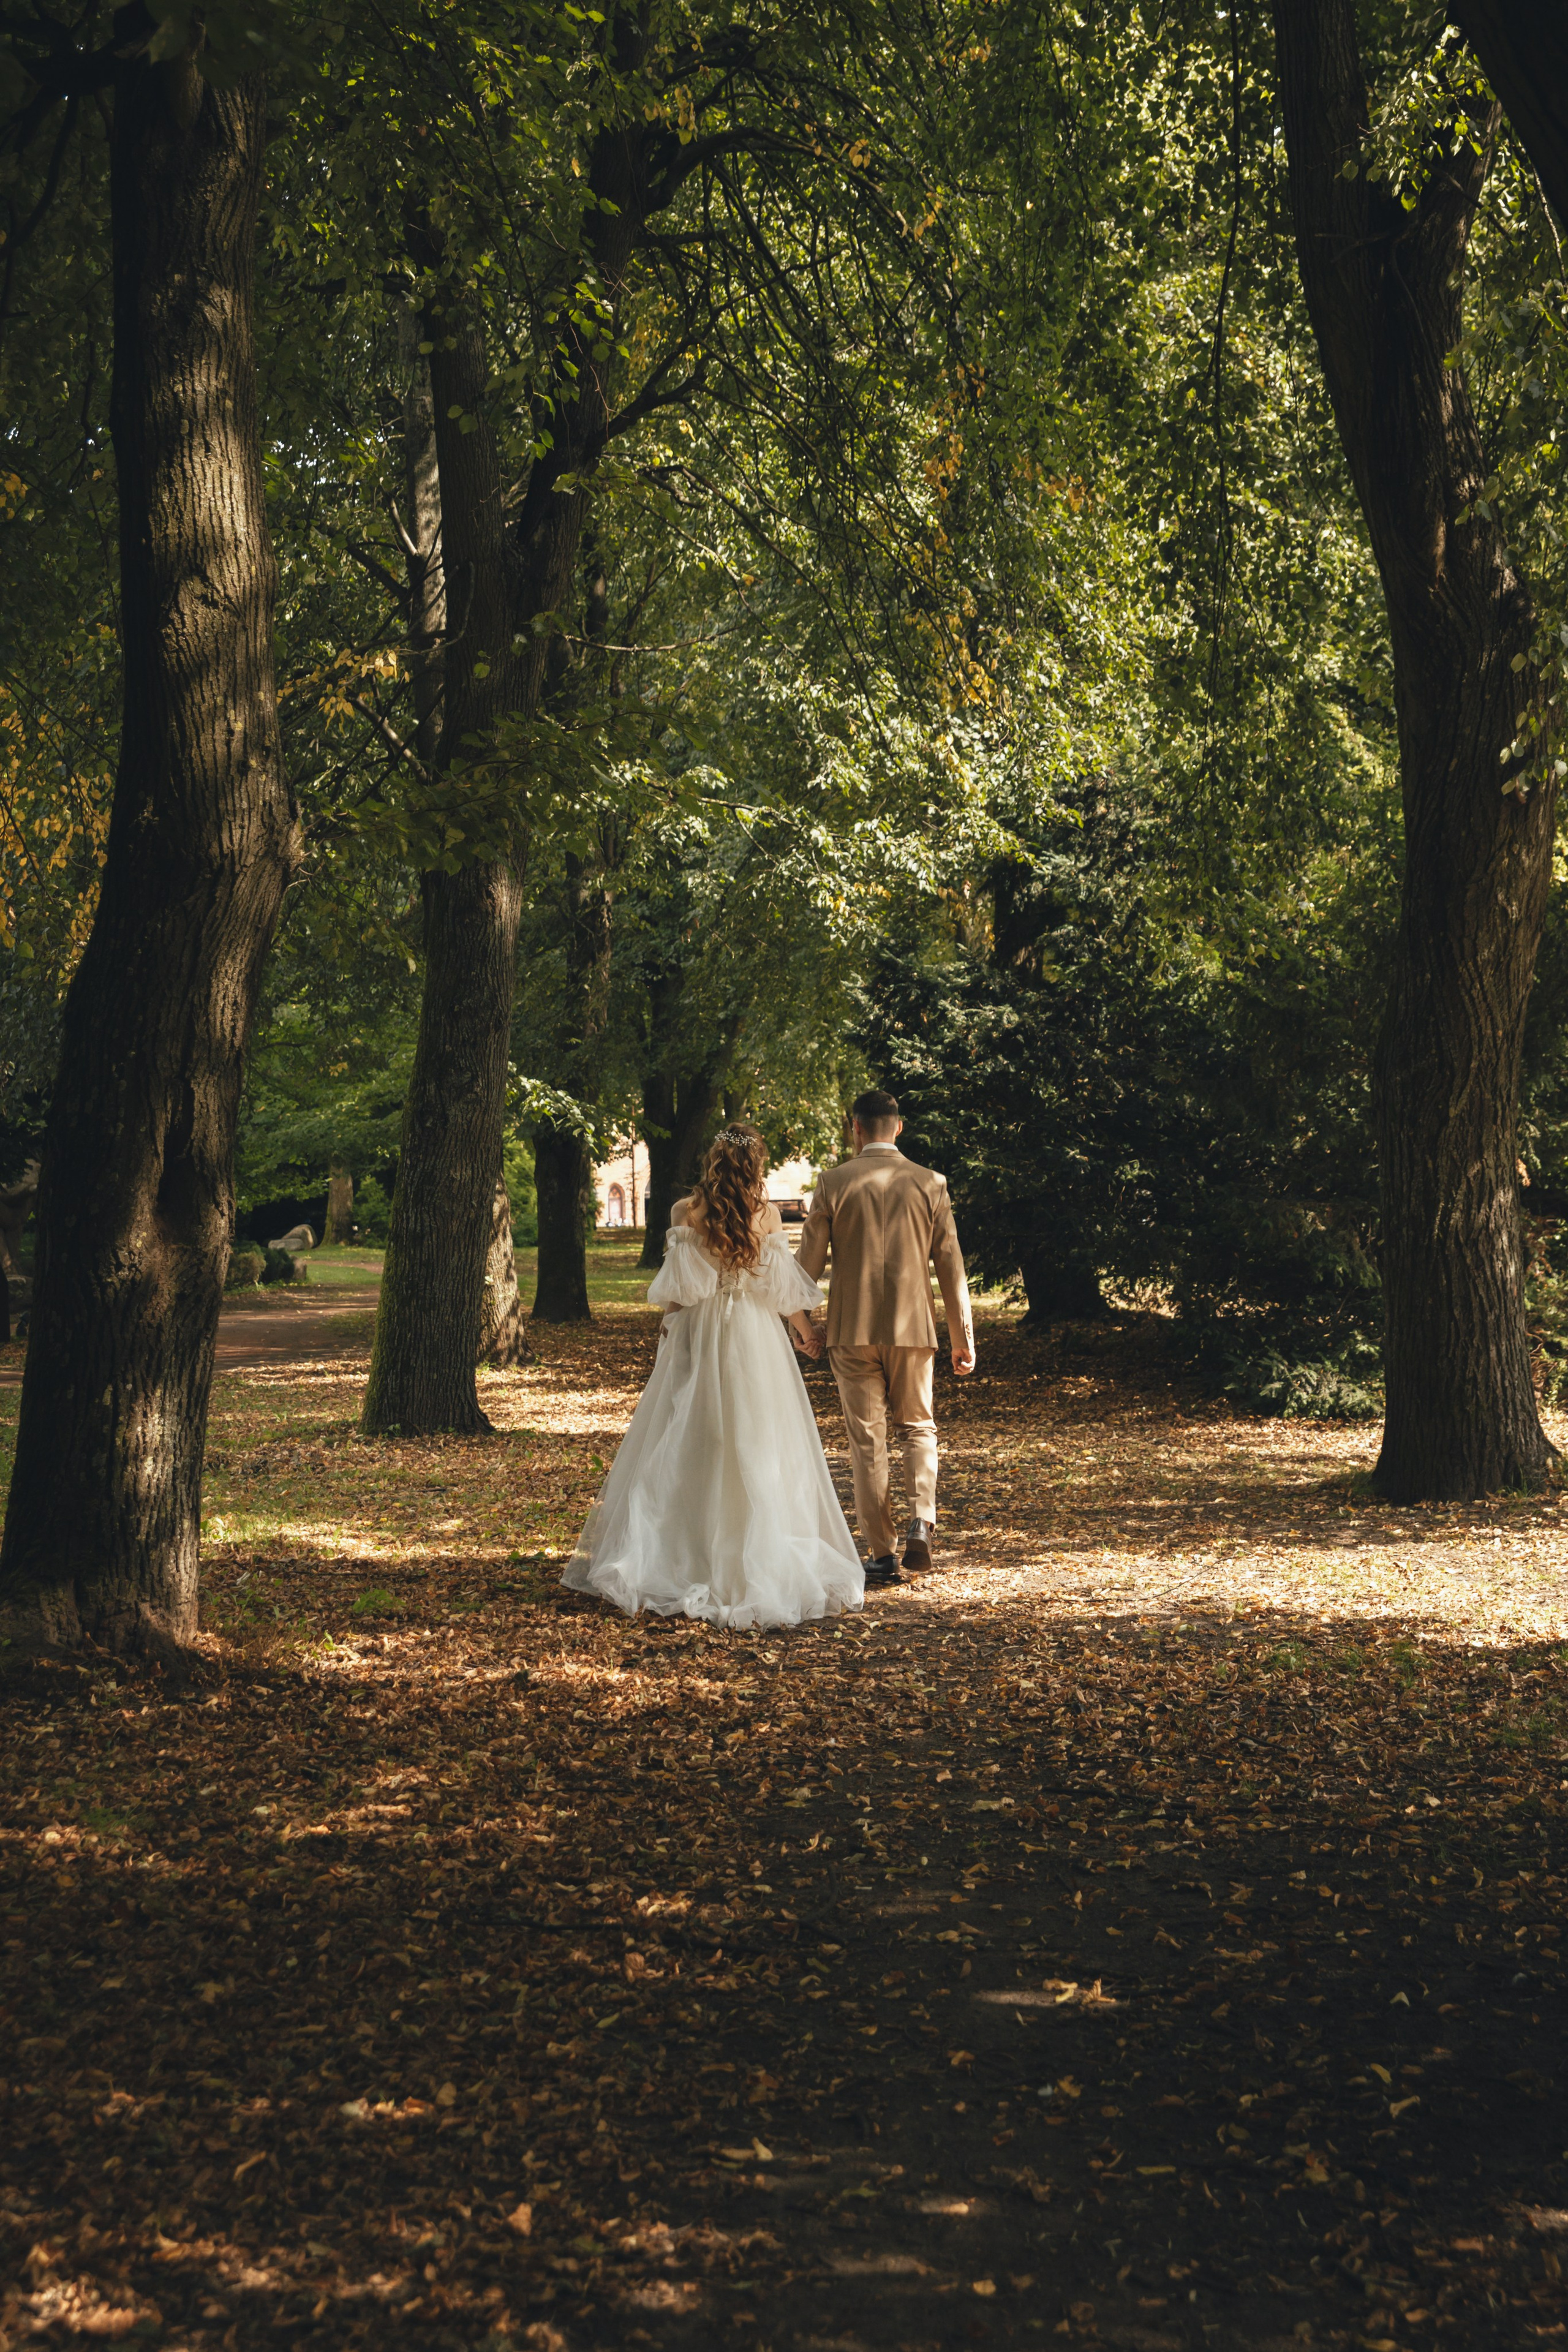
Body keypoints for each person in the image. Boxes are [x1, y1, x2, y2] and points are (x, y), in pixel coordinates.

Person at [562, 1123, 864, 1629]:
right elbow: (780, 1292)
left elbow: (681, 1293)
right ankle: (749, 1556)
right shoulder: (766, 1215)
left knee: (693, 1432)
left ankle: (686, 1553)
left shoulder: (686, 1212)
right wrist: (804, 1333)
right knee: (757, 1436)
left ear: (714, 1160)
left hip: (701, 1333)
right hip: (754, 1335)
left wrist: (669, 1336)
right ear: (755, 1164)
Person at [797, 1088, 974, 1587]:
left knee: (867, 1440)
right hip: (912, 1328)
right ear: (898, 1127)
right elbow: (951, 1264)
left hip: (851, 1330)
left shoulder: (833, 1183)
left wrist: (801, 1325)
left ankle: (881, 1554)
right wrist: (962, 1337)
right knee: (918, 1427)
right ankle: (922, 1518)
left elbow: (808, 1265)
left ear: (855, 1128)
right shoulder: (931, 1183)